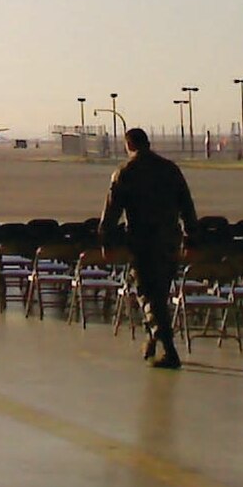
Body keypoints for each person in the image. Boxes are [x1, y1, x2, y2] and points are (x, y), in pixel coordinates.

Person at [100, 127, 198, 369]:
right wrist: (191, 238)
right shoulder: (170, 169)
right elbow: (187, 205)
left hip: (143, 241)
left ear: (129, 145)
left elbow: (111, 211)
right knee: (160, 294)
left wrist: (107, 242)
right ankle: (152, 339)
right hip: (169, 240)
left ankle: (169, 351)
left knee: (148, 295)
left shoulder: (125, 172)